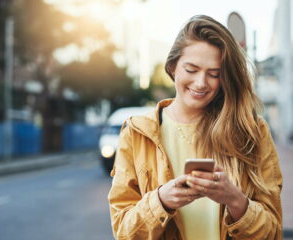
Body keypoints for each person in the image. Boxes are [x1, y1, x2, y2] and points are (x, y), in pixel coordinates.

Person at [107, 15, 282, 240]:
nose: (201, 83)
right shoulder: (136, 133)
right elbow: (123, 231)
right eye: (191, 69)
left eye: (214, 74)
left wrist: (236, 201)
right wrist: (161, 200)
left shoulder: (252, 131)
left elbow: (273, 231)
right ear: (172, 67)